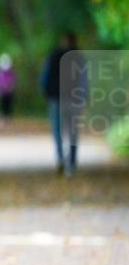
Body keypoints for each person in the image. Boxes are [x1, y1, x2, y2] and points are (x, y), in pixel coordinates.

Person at [40, 32, 81, 175]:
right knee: (72, 131)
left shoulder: (53, 55)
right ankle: (71, 162)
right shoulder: (78, 57)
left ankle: (60, 158)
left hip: (56, 98)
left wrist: (46, 93)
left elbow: (44, 76)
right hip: (72, 98)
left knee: (58, 130)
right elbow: (83, 80)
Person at [0, 53, 16, 127]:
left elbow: (13, 80)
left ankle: (7, 119)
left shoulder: (11, 71)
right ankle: (2, 119)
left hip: (9, 92)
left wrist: (10, 87)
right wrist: (2, 87)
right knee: (2, 106)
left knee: (8, 106)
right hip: (2, 92)